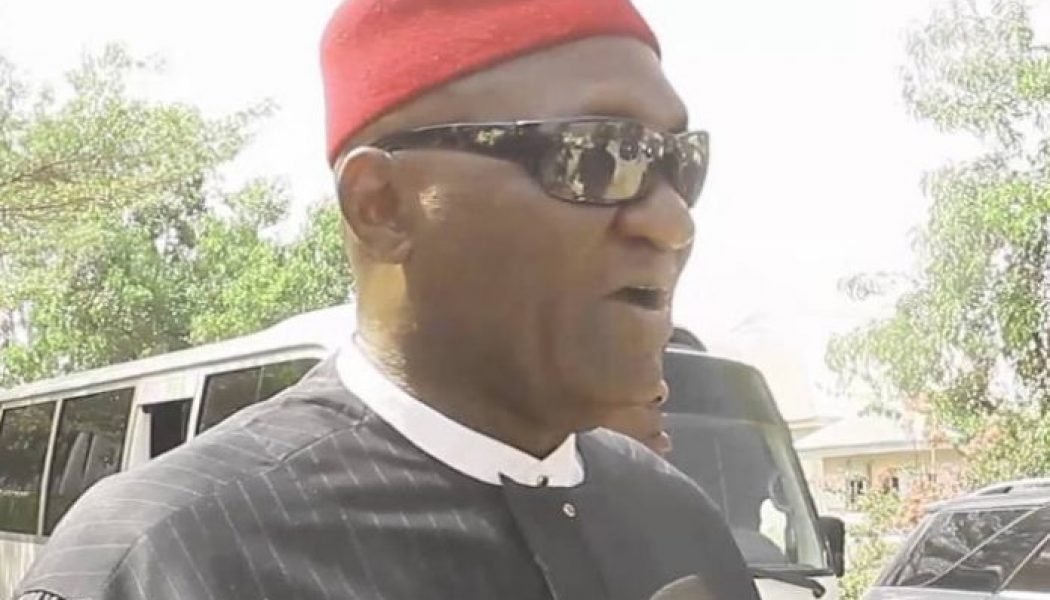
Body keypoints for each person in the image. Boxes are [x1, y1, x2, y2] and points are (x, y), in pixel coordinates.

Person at [14, 0, 760, 599]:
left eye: (681, 164)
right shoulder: (169, 556)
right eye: (598, 157)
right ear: (382, 206)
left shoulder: (679, 523)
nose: (673, 222)